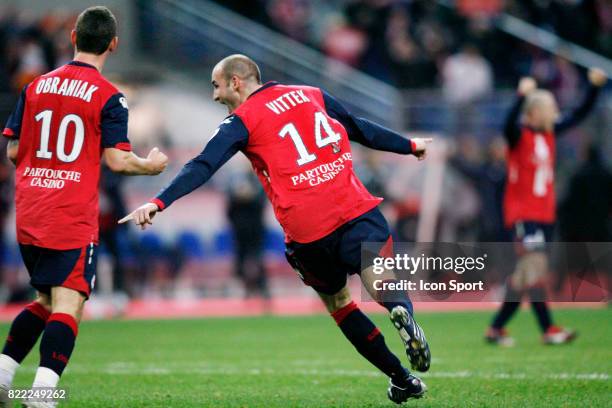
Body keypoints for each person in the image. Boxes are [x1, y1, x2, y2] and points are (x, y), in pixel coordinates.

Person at [120, 54, 432, 404]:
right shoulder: (311, 93)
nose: (214, 96)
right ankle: (398, 311)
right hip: (353, 206)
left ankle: (400, 376)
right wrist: (408, 145)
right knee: (380, 276)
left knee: (340, 302)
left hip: (308, 229)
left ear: (236, 82)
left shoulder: (240, 121)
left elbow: (203, 164)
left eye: (216, 86)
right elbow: (358, 127)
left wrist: (158, 202)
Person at [0, 7, 168, 408]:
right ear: (113, 43)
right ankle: (40, 396)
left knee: (45, 299)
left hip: (29, 209)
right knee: (70, 301)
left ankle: (4, 378)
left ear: (73, 36)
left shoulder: (36, 86)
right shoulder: (110, 96)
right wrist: (152, 164)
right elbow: (117, 160)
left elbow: (11, 150)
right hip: (69, 212)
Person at [485, 67, 607, 346]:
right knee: (536, 267)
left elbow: (578, 115)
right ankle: (548, 329)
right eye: (548, 108)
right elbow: (506, 125)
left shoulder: (549, 134)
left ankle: (496, 328)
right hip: (523, 213)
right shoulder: (519, 136)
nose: (554, 113)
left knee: (525, 274)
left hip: (544, 214)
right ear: (532, 113)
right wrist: (521, 95)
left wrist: (594, 87)